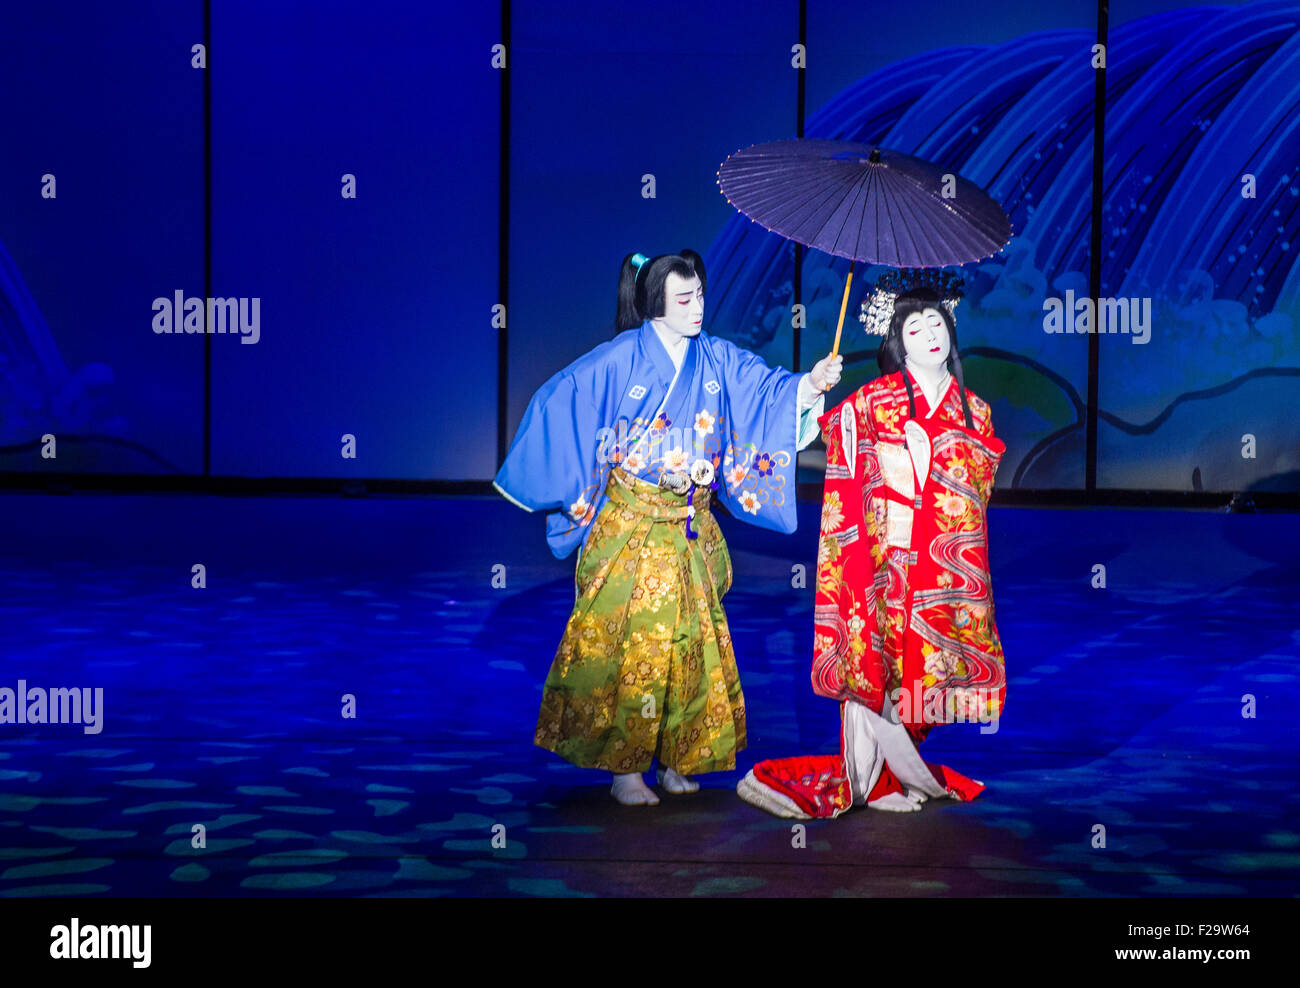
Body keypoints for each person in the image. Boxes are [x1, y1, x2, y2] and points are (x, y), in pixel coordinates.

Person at [495, 249, 843, 806]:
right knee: (632, 650)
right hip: (634, 522)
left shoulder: (717, 359)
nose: (697, 307)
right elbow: (565, 398)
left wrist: (808, 386)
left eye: (701, 295)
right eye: (684, 299)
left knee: (692, 648)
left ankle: (680, 760)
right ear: (655, 306)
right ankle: (624, 771)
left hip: (688, 526)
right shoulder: (618, 360)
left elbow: (764, 390)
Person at [737, 268, 1007, 818]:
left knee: (917, 671)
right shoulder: (872, 401)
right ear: (897, 343)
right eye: (915, 327)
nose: (931, 333)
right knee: (874, 662)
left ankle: (895, 771)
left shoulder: (973, 410)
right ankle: (873, 781)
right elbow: (815, 438)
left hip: (939, 566)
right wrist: (815, 389)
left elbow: (975, 491)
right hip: (880, 558)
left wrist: (928, 459)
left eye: (937, 322)